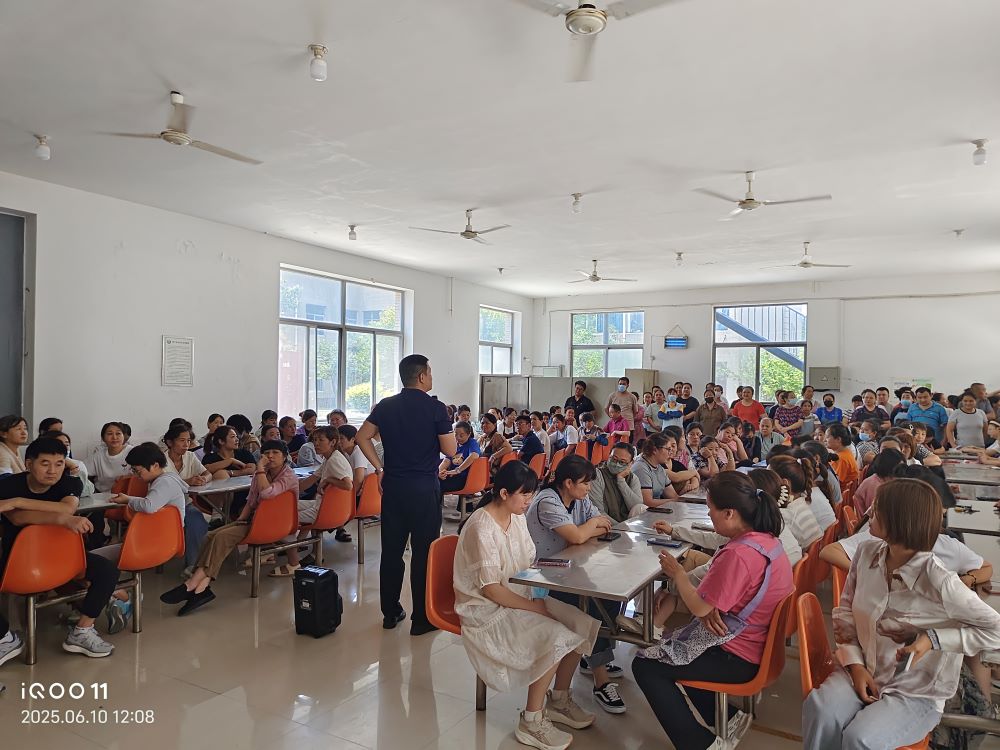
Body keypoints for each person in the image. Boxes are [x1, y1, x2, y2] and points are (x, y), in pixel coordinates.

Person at [803, 478, 1000, 750]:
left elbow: (994, 630)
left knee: (860, 737)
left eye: (877, 509)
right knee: (822, 709)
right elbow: (846, 611)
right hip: (863, 667)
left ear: (899, 521)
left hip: (915, 691)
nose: (869, 513)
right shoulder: (866, 553)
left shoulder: (939, 581)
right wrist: (856, 666)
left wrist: (934, 639)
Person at [632, 472, 793, 750]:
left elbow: (699, 606)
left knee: (646, 666)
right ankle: (729, 717)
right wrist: (708, 608)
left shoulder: (738, 554)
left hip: (739, 656)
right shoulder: (767, 540)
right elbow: (713, 604)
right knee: (678, 650)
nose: (709, 515)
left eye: (711, 509)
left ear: (730, 513)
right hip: (759, 644)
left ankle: (700, 744)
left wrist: (677, 573)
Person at [454, 461, 600, 750]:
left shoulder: (516, 516)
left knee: (580, 624)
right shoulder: (482, 527)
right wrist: (535, 607)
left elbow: (527, 563)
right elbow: (491, 589)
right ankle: (532, 720)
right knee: (557, 636)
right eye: (525, 495)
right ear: (504, 493)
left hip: (519, 595)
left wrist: (543, 591)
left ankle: (559, 699)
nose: (529, 501)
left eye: (531, 494)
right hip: (486, 609)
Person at [356, 354, 456, 635]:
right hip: (423, 488)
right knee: (423, 553)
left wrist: (379, 468)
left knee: (391, 552)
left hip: (394, 488)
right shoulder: (435, 408)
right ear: (422, 376)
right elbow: (450, 450)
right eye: (430, 373)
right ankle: (422, 619)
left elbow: (361, 437)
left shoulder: (385, 406)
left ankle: (390, 613)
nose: (432, 377)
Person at [526, 455, 626, 714]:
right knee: (590, 607)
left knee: (610, 595)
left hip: (570, 569)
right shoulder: (548, 501)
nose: (589, 488)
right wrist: (588, 528)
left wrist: (586, 530)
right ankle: (601, 679)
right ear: (568, 483)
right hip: (543, 576)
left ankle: (592, 655)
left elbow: (603, 524)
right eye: (585, 483)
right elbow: (578, 536)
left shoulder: (579, 499)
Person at [0, 438, 117, 658]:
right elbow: (18, 519)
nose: (52, 471)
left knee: (107, 571)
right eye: (45, 463)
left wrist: (17, 501)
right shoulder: (8, 485)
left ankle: (82, 631)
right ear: (29, 464)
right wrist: (61, 518)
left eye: (59, 463)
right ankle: (5, 639)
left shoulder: (69, 483)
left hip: (62, 557)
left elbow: (67, 508)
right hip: (16, 561)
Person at [159, 440, 298, 615]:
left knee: (222, 537)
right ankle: (201, 589)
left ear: (284, 457)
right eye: (266, 453)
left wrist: (260, 469)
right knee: (210, 536)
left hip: (274, 524)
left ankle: (190, 585)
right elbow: (251, 501)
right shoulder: (260, 474)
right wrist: (239, 520)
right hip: (254, 521)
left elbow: (267, 493)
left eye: (275, 453)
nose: (270, 456)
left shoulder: (288, 476)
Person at [99, 442, 189, 631]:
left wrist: (128, 500)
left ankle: (122, 597)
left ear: (155, 465)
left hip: (151, 545)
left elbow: (149, 506)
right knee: (99, 562)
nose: (135, 474)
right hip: (162, 542)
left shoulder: (164, 482)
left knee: (92, 560)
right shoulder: (167, 480)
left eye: (137, 470)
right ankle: (116, 597)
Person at [587, 442, 643, 522]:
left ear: (631, 463)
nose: (616, 464)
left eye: (622, 462)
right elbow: (598, 511)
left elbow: (637, 506)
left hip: (629, 522)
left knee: (641, 508)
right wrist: (620, 527)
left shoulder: (632, 478)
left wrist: (621, 480)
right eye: (614, 459)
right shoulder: (597, 475)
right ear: (609, 456)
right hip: (606, 523)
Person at [439, 421, 482, 506]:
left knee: (437, 485)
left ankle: (434, 509)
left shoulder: (472, 443)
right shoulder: (455, 445)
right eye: (455, 435)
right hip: (453, 476)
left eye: (461, 435)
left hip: (466, 478)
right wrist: (439, 472)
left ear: (468, 434)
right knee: (435, 480)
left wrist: (457, 470)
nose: (458, 438)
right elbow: (446, 460)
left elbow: (474, 455)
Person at [84, 421, 134, 492]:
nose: (114, 437)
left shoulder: (133, 452)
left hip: (129, 494)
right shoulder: (98, 456)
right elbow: (81, 470)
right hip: (102, 495)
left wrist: (125, 478)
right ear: (103, 438)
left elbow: (143, 474)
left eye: (118, 433)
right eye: (110, 434)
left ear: (124, 436)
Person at [825, 423, 860, 488]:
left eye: (827, 437)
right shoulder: (846, 452)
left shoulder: (841, 459)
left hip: (840, 491)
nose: (825, 440)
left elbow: (835, 482)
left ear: (838, 439)